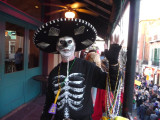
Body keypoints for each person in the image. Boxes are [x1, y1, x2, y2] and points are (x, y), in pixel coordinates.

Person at [33, 18, 122, 120]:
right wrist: (46, 117)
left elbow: (113, 85)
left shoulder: (87, 68)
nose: (66, 45)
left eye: (69, 42)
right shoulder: (54, 73)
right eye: (62, 42)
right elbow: (50, 102)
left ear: (75, 46)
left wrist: (114, 63)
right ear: (57, 47)